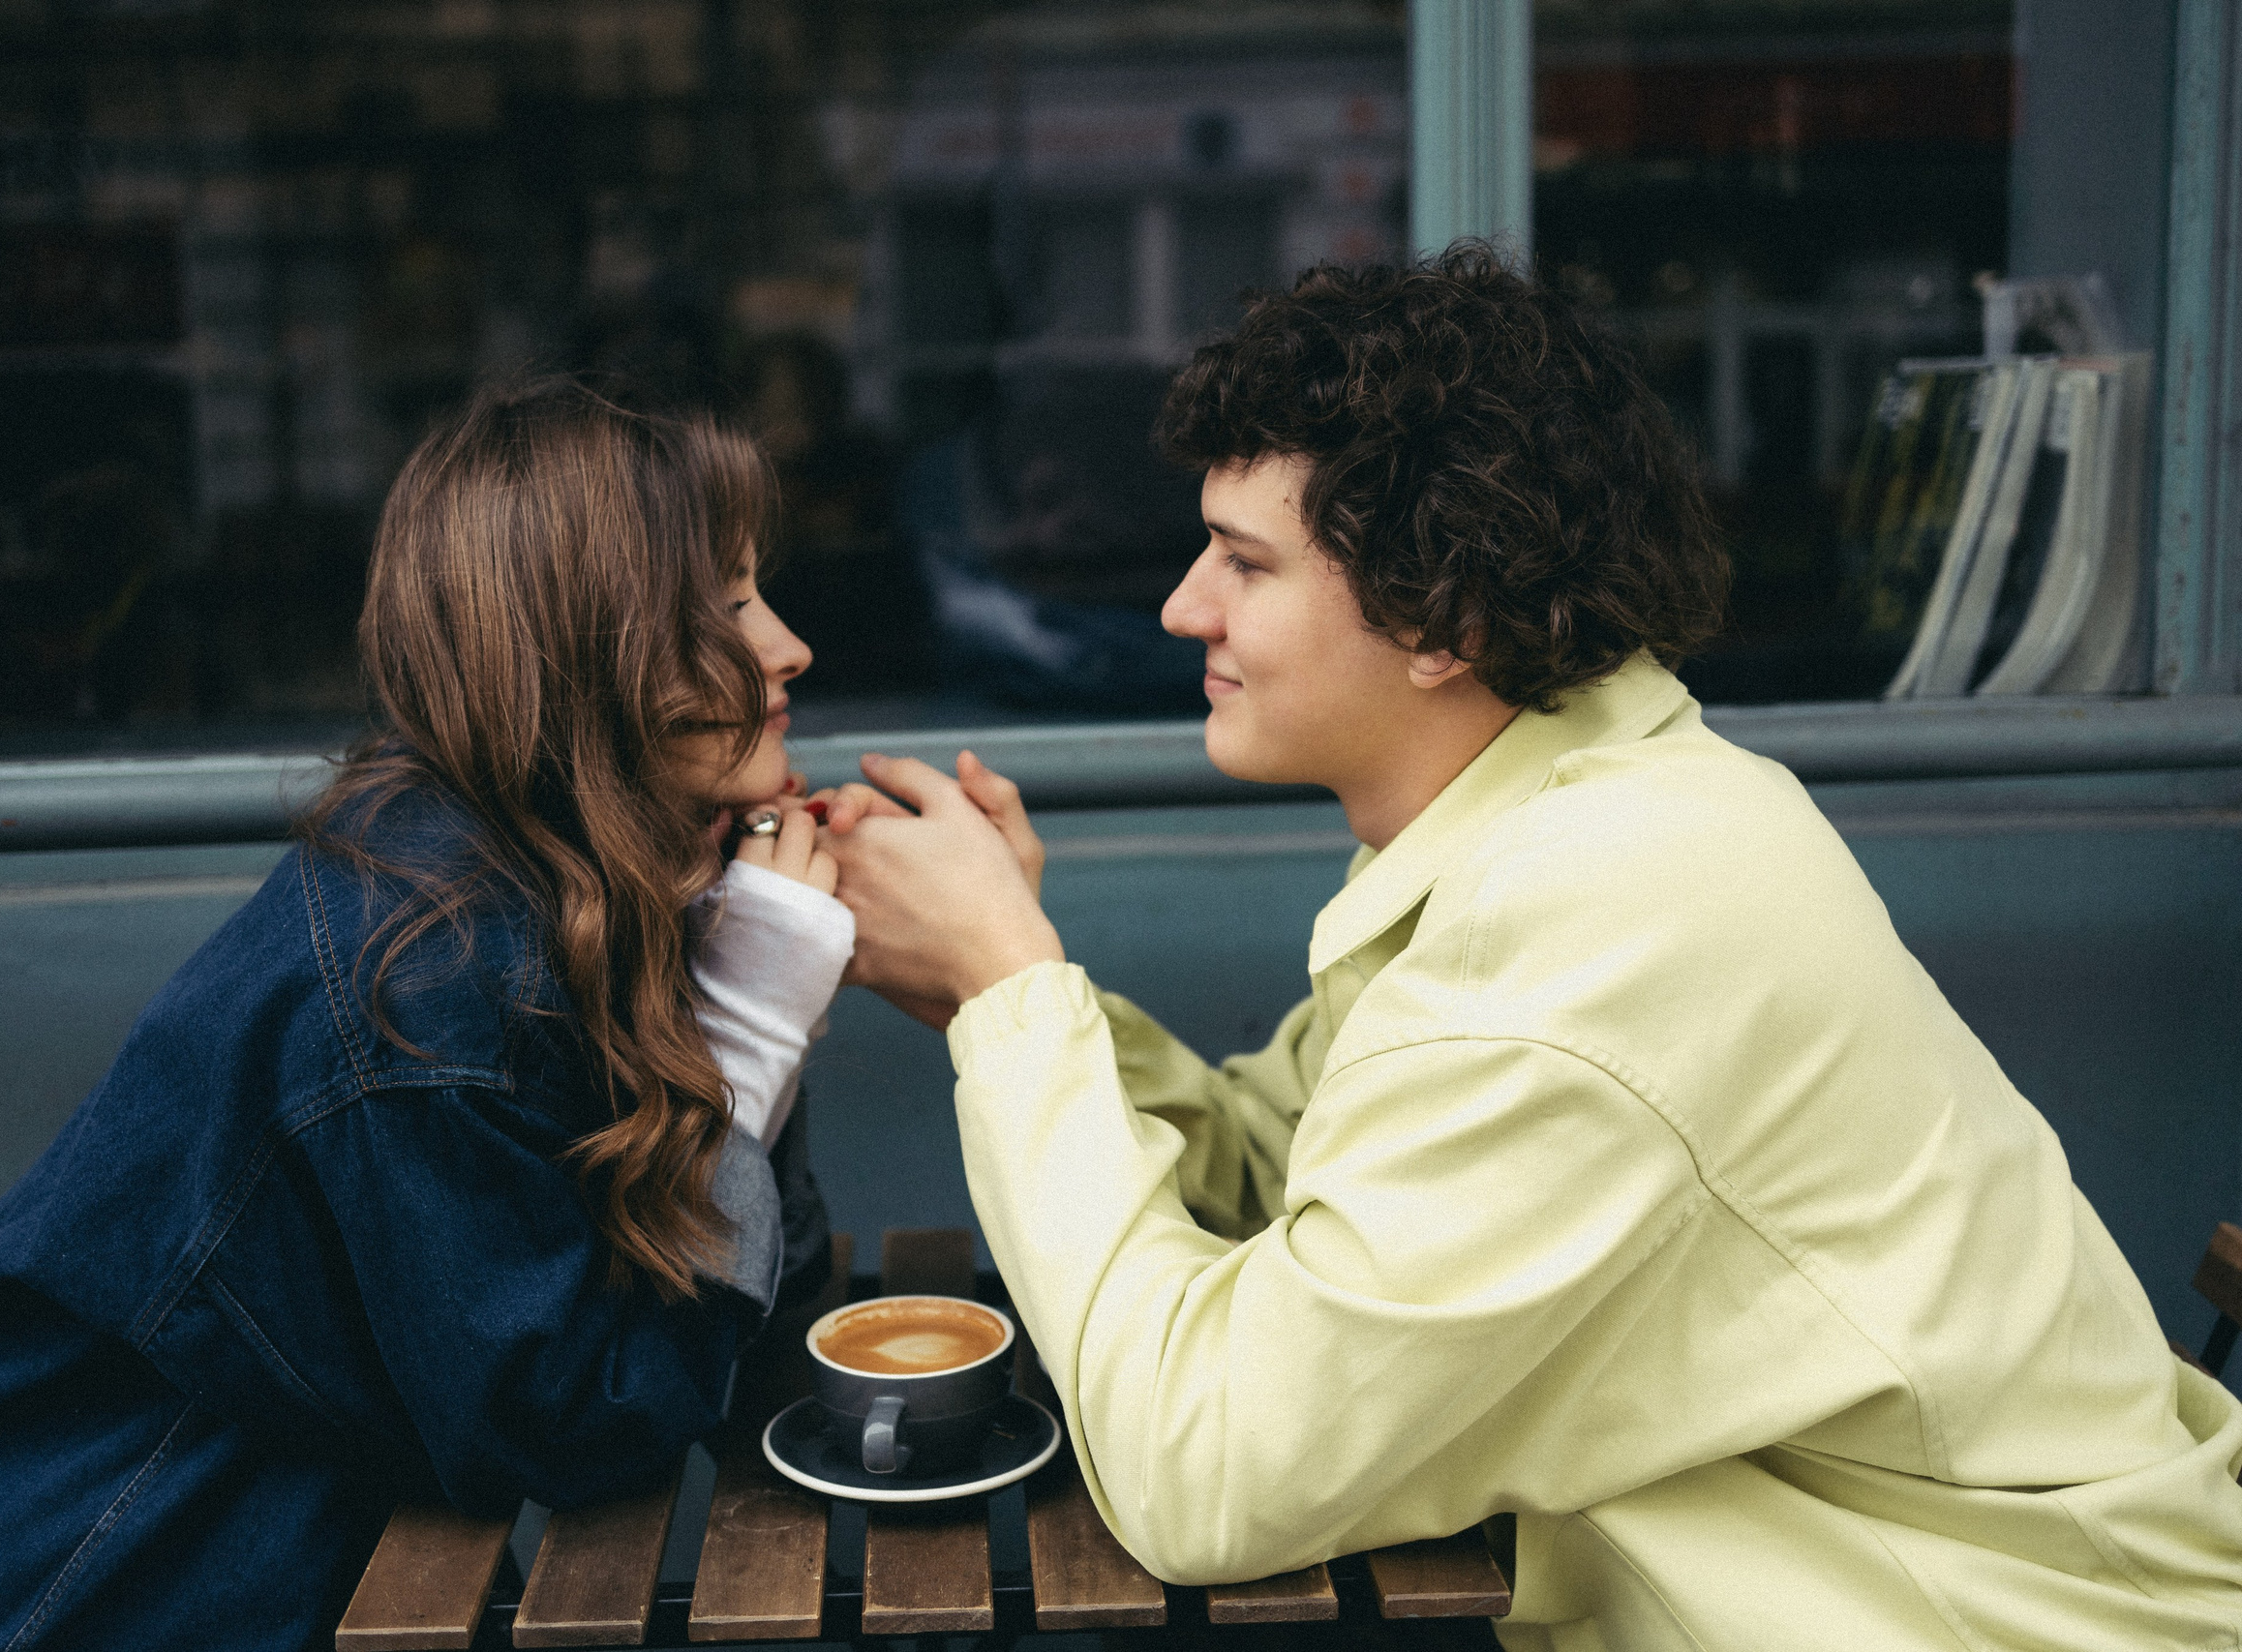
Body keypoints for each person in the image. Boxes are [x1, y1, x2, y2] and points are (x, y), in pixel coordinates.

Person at [818, 249, 2242, 1650]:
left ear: (1442, 614)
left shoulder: (1595, 924)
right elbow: (1273, 1170)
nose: (1185, 607)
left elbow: (1210, 1474)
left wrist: (1014, 991)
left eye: (1244, 561)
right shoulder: (1569, 806)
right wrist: (993, 988)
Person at [0, 379, 859, 1651]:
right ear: (593, 643)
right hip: (49, 1584)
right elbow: (580, 1425)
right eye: (728, 603)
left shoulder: (556, 881)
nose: (787, 646)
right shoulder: (434, 968)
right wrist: (754, 1029)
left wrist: (750, 1007)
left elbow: (743, 1322)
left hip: (223, 1564)